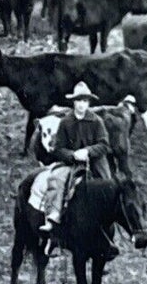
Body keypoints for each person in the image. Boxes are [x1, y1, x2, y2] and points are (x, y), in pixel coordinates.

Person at [29, 83, 111, 234]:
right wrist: (72, 155)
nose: (82, 104)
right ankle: (53, 216)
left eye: (85, 101)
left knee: (107, 185)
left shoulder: (96, 121)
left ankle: (109, 221)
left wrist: (88, 151)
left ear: (89, 103)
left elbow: (104, 145)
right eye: (79, 101)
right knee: (56, 178)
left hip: (94, 162)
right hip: (71, 163)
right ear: (74, 102)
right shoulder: (66, 122)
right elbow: (58, 149)